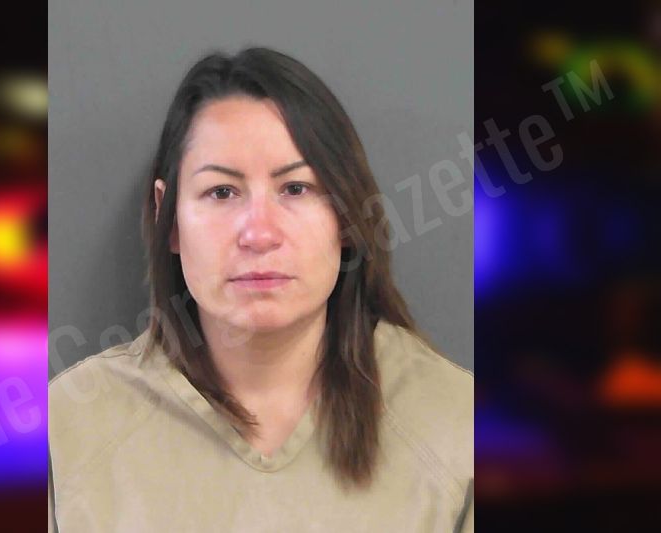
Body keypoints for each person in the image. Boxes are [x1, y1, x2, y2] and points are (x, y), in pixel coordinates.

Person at [48, 47, 473, 532]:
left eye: (296, 188)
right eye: (221, 192)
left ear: (347, 216)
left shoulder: (461, 427)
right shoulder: (67, 431)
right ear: (170, 218)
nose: (259, 233)